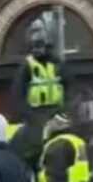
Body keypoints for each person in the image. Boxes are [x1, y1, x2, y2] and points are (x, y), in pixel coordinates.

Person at [10, 17, 69, 169]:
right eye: (35, 46)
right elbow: (18, 95)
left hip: (57, 116)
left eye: (40, 45)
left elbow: (71, 88)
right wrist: (29, 116)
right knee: (35, 153)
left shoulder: (58, 65)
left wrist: (64, 113)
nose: (37, 49)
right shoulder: (26, 67)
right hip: (35, 117)